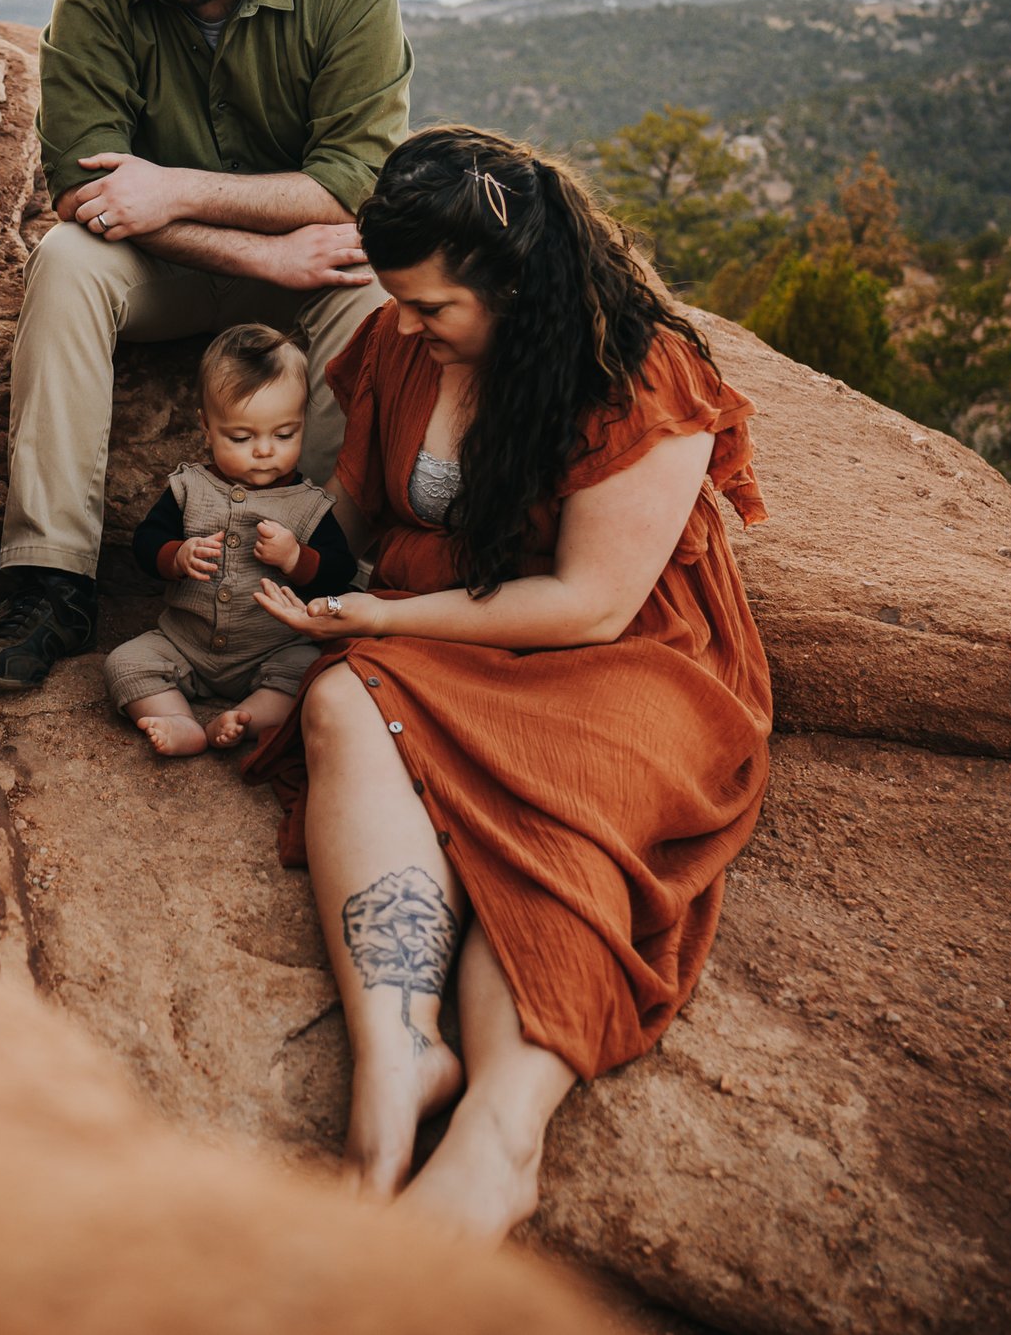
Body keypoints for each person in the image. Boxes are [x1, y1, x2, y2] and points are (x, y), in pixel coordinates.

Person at [240, 125, 774, 1240]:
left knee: (566, 828)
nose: (409, 325)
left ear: (518, 284)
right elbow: (358, 515)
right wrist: (289, 573)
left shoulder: (639, 374)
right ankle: (398, 1061)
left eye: (434, 307)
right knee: (347, 696)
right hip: (453, 622)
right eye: (401, 302)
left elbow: (590, 603)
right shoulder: (400, 339)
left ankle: (499, 1134)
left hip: (617, 657)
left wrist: (383, 613)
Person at [0, 0, 410, 693]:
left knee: (368, 289)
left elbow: (352, 181)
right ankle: (51, 585)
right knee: (69, 259)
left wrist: (175, 190)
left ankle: (322, 582)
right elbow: (87, 193)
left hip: (290, 262)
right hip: (162, 265)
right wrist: (255, 248)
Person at [107, 324, 360, 757]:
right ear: (207, 428)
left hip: (274, 649)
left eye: (285, 434)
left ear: (303, 422)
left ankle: (246, 719)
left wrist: (297, 559)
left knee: (311, 672)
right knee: (124, 663)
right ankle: (178, 720)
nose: (265, 450)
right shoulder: (188, 487)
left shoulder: (308, 504)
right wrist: (177, 555)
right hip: (183, 642)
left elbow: (340, 571)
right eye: (241, 438)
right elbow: (147, 541)